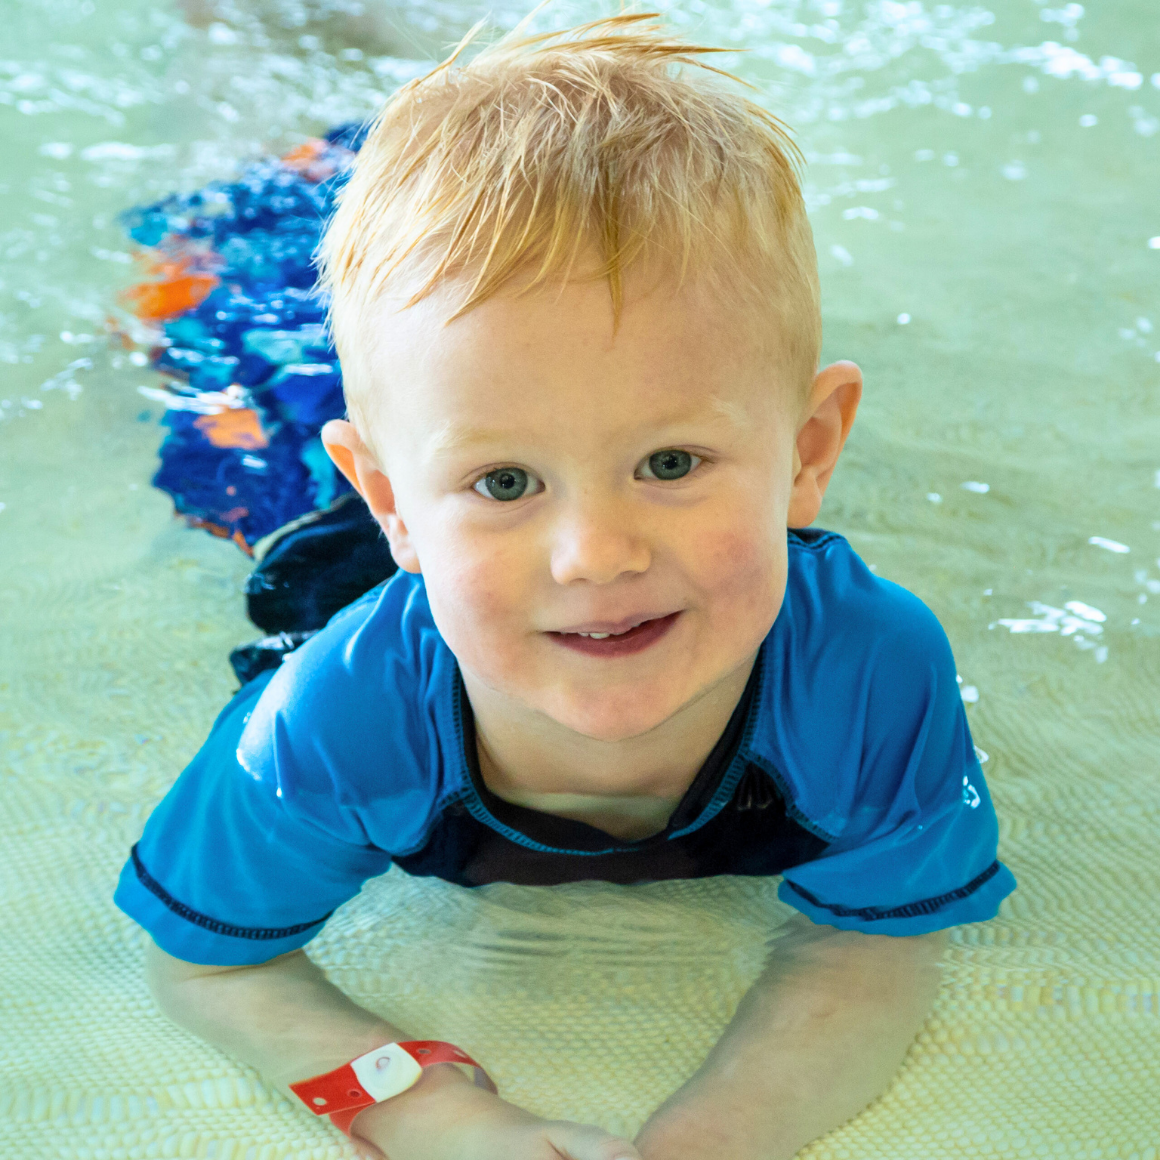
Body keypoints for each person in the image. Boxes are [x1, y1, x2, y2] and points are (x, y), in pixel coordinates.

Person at [114, 15, 1016, 1160]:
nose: (594, 554)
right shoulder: (337, 720)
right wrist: (425, 1106)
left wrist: (712, 1136)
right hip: (284, 479)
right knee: (218, 247)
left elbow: (876, 940)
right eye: (507, 480)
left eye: (670, 462)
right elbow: (206, 954)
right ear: (393, 502)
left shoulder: (868, 674)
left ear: (808, 452)